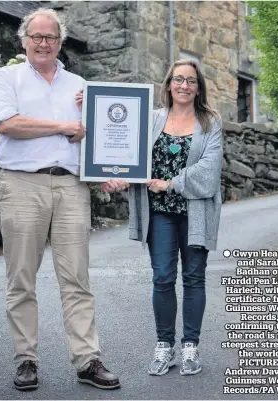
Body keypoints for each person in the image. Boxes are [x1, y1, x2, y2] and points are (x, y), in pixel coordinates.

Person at [0, 7, 120, 392]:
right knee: (21, 279)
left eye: (51, 38)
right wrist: (64, 127)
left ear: (60, 43)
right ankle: (26, 360)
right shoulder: (7, 77)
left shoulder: (78, 84)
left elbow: (95, 134)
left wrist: (104, 166)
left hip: (70, 187)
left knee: (77, 278)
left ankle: (87, 360)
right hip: (21, 185)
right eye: (36, 37)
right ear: (24, 40)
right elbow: (7, 123)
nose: (43, 44)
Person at [100, 59, 223, 376]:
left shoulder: (210, 122)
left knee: (194, 278)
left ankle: (190, 347)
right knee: (163, 277)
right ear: (168, 84)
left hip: (195, 213)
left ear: (199, 87)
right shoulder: (150, 118)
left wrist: (171, 183)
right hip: (160, 213)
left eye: (191, 81)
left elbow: (209, 172)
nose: (184, 86)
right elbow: (128, 154)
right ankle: (164, 347)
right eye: (178, 79)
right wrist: (118, 175)